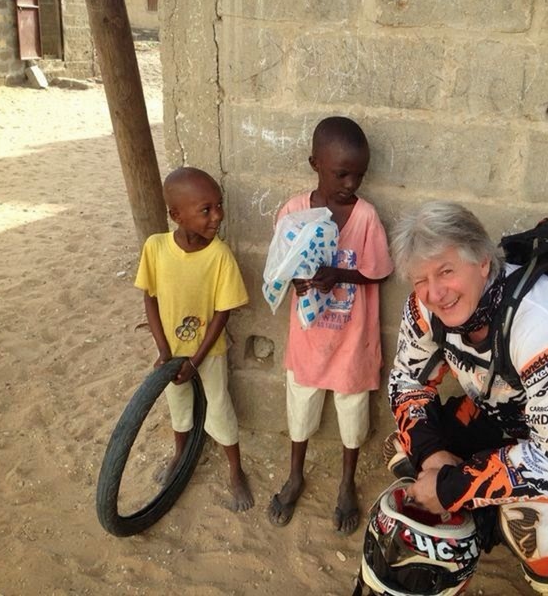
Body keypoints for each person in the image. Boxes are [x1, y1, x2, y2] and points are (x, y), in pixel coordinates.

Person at [386, 201, 548, 595]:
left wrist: (452, 487)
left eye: (446, 271)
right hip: (507, 414)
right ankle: (477, 527)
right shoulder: (427, 307)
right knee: (406, 452)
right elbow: (406, 380)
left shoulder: (542, 325)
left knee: (530, 524)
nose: (435, 293)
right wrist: (432, 456)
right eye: (420, 279)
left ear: (482, 262)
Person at [267, 116, 394, 534]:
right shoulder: (294, 212)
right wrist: (297, 280)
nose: (351, 183)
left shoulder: (365, 217)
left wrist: (338, 274)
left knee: (352, 412)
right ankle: (295, 475)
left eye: (359, 175)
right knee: (300, 405)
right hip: (309, 338)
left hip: (351, 339)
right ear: (315, 164)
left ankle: (346, 483)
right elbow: (281, 264)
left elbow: (378, 271)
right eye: (341, 174)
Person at [135, 166, 254, 512]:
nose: (217, 216)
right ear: (177, 215)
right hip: (172, 352)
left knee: (218, 405)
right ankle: (180, 454)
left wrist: (197, 359)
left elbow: (222, 312)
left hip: (208, 351)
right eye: (206, 210)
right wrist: (164, 350)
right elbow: (150, 298)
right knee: (178, 404)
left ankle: (235, 469)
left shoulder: (219, 256)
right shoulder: (155, 248)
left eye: (219, 205)